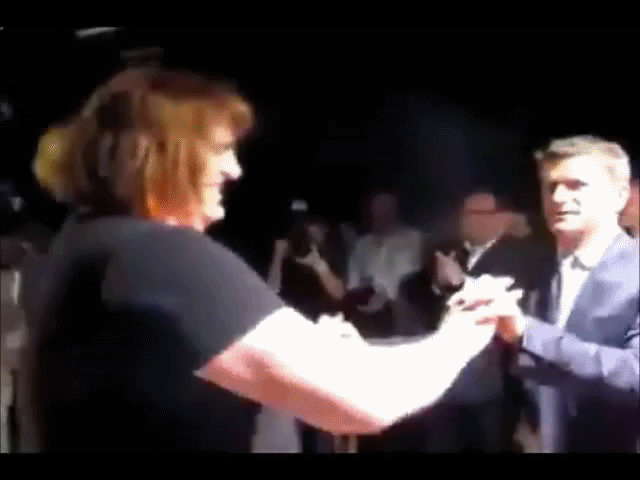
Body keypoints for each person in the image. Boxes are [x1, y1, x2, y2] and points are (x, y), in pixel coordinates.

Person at [22, 66, 508, 452]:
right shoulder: (157, 255)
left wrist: (314, 353)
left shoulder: (89, 241)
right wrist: (463, 333)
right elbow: (365, 399)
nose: (234, 170)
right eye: (220, 149)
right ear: (161, 155)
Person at [457, 135, 639, 452]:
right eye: (550, 186)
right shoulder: (526, 266)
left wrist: (528, 333)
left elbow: (633, 373)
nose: (558, 197)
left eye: (576, 185)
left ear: (619, 195)